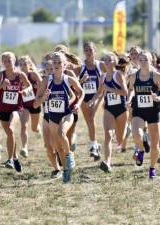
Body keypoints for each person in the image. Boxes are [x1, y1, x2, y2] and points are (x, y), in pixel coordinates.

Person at [36, 52, 84, 183]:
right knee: (58, 148)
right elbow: (35, 103)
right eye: (55, 62)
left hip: (67, 114)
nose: (57, 65)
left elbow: (81, 92)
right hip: (52, 117)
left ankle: (70, 156)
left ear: (65, 65)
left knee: (62, 133)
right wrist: (44, 98)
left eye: (59, 63)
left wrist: (78, 104)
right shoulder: (47, 80)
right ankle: (66, 171)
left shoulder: (69, 80)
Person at [0, 51, 31, 172]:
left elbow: (29, 86)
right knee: (10, 134)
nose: (7, 63)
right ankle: (16, 158)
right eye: (4, 61)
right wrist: (0, 86)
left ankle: (10, 159)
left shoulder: (20, 75)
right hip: (3, 109)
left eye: (9, 60)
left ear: (14, 61)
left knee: (11, 129)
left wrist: (26, 90)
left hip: (16, 108)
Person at [127, 50, 160, 179]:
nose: (143, 62)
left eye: (146, 60)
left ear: (151, 61)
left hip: (153, 111)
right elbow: (131, 90)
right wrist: (129, 99)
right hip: (138, 109)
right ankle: (141, 149)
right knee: (136, 134)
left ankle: (152, 169)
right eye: (141, 60)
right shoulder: (134, 76)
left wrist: (158, 98)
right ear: (138, 61)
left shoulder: (156, 76)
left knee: (155, 144)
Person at [89, 52, 128, 172]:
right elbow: (100, 92)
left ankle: (126, 131)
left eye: (110, 60)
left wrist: (110, 89)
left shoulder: (119, 75)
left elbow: (125, 92)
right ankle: (107, 162)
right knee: (108, 135)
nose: (107, 62)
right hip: (109, 109)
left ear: (115, 62)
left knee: (120, 140)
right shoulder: (102, 77)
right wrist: (93, 100)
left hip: (121, 109)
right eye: (105, 60)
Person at [73, 42, 107, 160]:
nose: (88, 52)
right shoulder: (80, 68)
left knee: (92, 117)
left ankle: (92, 146)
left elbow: (113, 73)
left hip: (97, 95)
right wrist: (81, 80)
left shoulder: (101, 65)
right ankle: (96, 145)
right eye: (86, 50)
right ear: (84, 52)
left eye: (90, 50)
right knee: (89, 122)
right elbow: (74, 84)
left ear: (95, 51)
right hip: (84, 97)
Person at [18, 55, 43, 158]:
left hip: (35, 104)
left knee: (33, 128)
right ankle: (24, 148)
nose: (23, 66)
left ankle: (38, 129)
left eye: (25, 64)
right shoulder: (18, 75)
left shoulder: (33, 74)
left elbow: (43, 84)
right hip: (25, 105)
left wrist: (38, 87)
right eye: (21, 64)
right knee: (23, 125)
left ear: (29, 64)